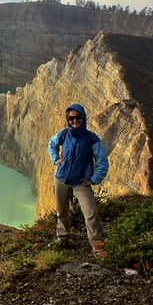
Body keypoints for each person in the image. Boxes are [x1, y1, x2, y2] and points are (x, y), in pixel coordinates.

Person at [47, 103, 109, 257]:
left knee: (90, 213)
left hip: (81, 182)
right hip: (61, 179)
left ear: (83, 117)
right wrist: (56, 159)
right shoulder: (64, 135)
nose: (75, 121)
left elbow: (102, 161)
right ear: (67, 119)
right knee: (62, 211)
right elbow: (52, 145)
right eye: (71, 118)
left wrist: (94, 180)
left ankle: (97, 245)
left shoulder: (91, 138)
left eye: (78, 117)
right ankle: (63, 238)